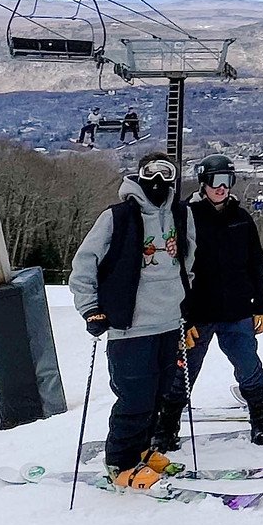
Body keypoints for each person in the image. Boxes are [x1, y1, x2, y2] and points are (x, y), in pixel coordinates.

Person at [68, 150, 195, 487]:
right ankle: (120, 463)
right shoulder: (117, 217)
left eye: (166, 174)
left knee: (158, 395)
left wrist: (185, 298)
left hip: (170, 322)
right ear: (139, 175)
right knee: (135, 397)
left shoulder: (182, 215)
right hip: (131, 326)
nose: (158, 181)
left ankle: (141, 451)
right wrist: (90, 308)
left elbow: (189, 260)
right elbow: (84, 266)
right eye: (151, 173)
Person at [160, 155, 263, 446]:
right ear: (203, 183)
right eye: (215, 182)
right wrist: (180, 316)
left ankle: (262, 420)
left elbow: (256, 264)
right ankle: (165, 428)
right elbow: (175, 270)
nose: (221, 188)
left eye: (227, 181)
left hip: (237, 310)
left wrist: (262, 305)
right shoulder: (185, 215)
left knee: (249, 366)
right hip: (198, 313)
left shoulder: (241, 218)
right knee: (183, 373)